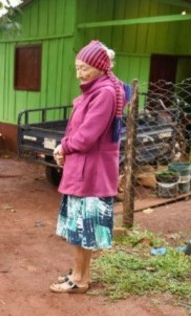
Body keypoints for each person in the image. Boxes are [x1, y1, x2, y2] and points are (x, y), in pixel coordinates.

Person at [50, 40, 126, 294]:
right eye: (77, 67)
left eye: (85, 68)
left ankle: (80, 280)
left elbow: (86, 136)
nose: (79, 73)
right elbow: (77, 132)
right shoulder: (96, 90)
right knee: (78, 228)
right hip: (83, 168)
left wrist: (64, 147)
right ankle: (77, 273)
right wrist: (65, 149)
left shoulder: (103, 93)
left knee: (82, 229)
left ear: (101, 67)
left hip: (90, 173)